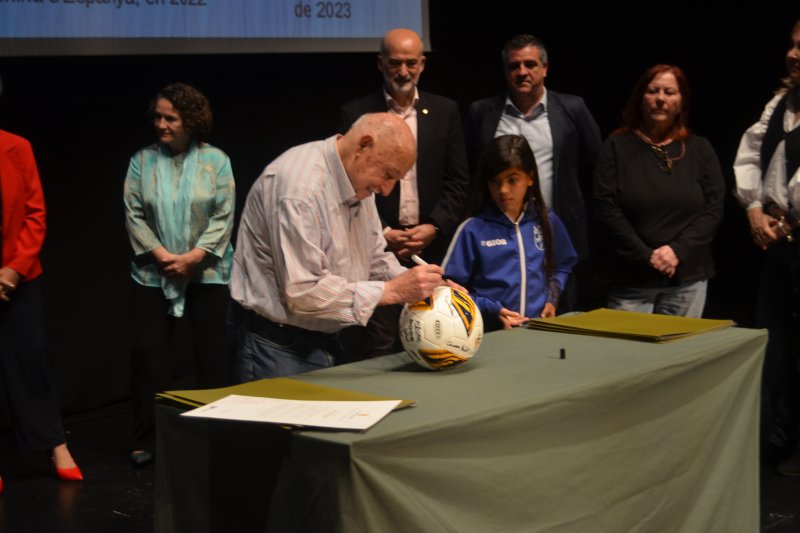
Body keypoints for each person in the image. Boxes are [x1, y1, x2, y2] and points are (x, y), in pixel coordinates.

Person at [229, 113, 446, 381]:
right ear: (363, 145)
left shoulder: (357, 180)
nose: (387, 190)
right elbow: (304, 292)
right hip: (276, 347)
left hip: (325, 342)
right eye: (388, 174)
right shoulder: (300, 190)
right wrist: (393, 291)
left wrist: (425, 286)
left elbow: (373, 258)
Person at [339, 28, 469, 357]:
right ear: (380, 63)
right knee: (380, 345)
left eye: (411, 63)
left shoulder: (445, 111)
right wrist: (384, 232)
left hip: (433, 245)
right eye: (395, 63)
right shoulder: (357, 113)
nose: (403, 71)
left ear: (422, 64)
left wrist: (434, 226)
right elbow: (349, 184)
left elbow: (458, 180)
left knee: (436, 337)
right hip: (378, 245)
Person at [124, 83, 235, 466]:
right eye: (157, 117)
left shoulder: (216, 161)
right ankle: (149, 438)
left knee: (212, 357)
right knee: (149, 358)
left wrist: (194, 257)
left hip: (208, 271)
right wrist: (162, 255)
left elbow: (223, 215)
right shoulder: (141, 161)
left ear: (190, 120)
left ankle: (217, 435)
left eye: (170, 118)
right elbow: (134, 214)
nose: (161, 124)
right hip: (153, 273)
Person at [465, 34, 602, 311]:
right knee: (509, 316)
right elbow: (471, 169)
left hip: (558, 232)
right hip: (502, 238)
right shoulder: (482, 112)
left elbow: (596, 163)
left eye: (530, 64)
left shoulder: (572, 108)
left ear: (545, 68)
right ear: (505, 72)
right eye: (514, 66)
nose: (522, 72)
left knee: (562, 316)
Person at [0, 77, 82, 490]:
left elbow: (35, 213)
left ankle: (55, 443)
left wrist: (13, 270)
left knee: (31, 361)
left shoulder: (17, 147)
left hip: (19, 276)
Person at [594, 64, 724, 317]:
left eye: (669, 92)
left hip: (686, 278)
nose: (661, 99)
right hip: (632, 278)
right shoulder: (616, 146)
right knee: (628, 345)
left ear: (681, 102)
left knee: (681, 344)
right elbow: (605, 207)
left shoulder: (699, 148)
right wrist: (647, 256)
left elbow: (714, 207)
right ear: (640, 98)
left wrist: (678, 251)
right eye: (653, 91)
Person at [733, 20, 800, 475]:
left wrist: (792, 220)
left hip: (793, 231)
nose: (792, 54)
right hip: (777, 243)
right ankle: (779, 435)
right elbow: (751, 154)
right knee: (776, 344)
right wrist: (754, 209)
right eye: (792, 45)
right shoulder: (780, 104)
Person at [442, 135, 577, 332]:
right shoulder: (473, 229)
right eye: (495, 182)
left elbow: (563, 264)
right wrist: (491, 310)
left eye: (512, 180)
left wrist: (552, 298)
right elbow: (448, 289)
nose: (503, 190)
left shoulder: (547, 221)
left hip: (537, 331)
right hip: (490, 335)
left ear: (530, 178)